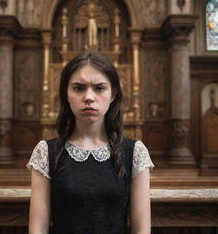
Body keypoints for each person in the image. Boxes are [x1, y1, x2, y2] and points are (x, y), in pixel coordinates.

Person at [27, 51, 154, 234]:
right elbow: (37, 229)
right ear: (66, 94)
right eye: (78, 88)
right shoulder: (46, 152)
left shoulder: (135, 153)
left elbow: (141, 230)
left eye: (99, 88)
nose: (88, 97)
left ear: (113, 94)